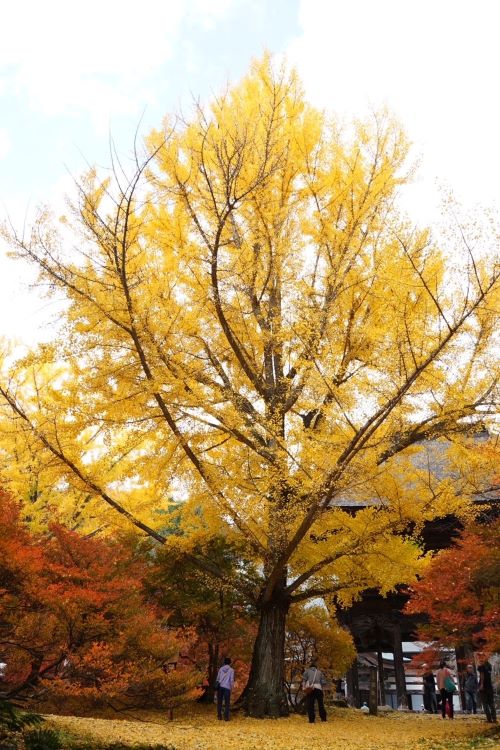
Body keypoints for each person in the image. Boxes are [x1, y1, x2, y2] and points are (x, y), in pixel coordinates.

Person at [478, 657, 497, 723]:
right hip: (489, 687)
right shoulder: (489, 666)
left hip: (484, 687)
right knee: (491, 703)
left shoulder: (481, 667)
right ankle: (494, 718)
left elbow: (482, 675)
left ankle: (489, 719)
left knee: (485, 703)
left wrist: (481, 684)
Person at [215, 657, 235, 721]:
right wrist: (232, 688)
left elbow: (217, 678)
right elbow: (231, 680)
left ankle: (219, 716)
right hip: (227, 688)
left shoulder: (221, 669)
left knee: (219, 702)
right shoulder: (231, 670)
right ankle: (226, 717)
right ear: (230, 663)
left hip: (220, 687)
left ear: (224, 662)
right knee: (227, 703)